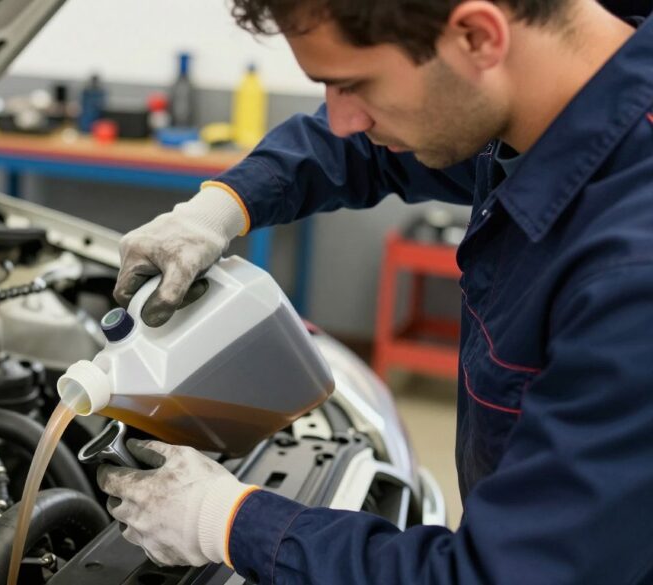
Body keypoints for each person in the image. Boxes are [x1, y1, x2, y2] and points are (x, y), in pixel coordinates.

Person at [96, 0, 653, 583]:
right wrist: (220, 209)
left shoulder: (630, 272)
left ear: (477, 36)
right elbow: (366, 151)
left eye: (353, 84)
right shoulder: (545, 90)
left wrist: (227, 520)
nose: (341, 118)